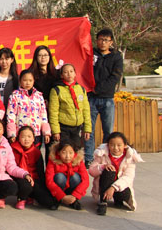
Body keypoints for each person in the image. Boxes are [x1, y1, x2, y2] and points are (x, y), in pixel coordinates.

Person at [85, 29, 124, 166]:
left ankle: (107, 156)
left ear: (111, 42)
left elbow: (115, 77)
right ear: (97, 40)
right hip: (91, 98)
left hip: (107, 98)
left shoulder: (116, 57)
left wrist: (98, 89)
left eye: (106, 40)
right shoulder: (90, 54)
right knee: (89, 129)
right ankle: (88, 158)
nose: (103, 42)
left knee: (108, 130)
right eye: (101, 39)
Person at [89, 131, 142, 215]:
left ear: (125, 145)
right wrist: (103, 167)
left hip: (119, 186)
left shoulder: (129, 158)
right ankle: (103, 202)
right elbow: (91, 170)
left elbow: (128, 177)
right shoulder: (102, 154)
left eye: (119, 145)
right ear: (108, 145)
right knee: (109, 170)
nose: (115, 148)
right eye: (112, 145)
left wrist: (113, 188)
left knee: (125, 193)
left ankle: (118, 200)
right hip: (105, 183)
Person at [10, 126, 57, 210]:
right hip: (18, 177)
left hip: (33, 178)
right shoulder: (12, 149)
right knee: (26, 185)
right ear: (18, 138)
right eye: (23, 137)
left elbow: (40, 172)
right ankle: (21, 199)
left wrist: (43, 186)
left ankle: (31, 195)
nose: (26, 139)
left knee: (49, 201)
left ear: (33, 139)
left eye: (29, 136)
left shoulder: (36, 152)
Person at [48, 64, 92, 147]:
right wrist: (55, 131)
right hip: (63, 127)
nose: (69, 74)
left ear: (75, 73)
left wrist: (87, 129)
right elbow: (53, 112)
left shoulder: (81, 89)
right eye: (65, 72)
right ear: (61, 75)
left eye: (71, 71)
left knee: (77, 149)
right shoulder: (56, 90)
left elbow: (86, 110)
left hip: (77, 127)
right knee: (64, 149)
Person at [6, 69, 51, 146]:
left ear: (33, 81)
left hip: (36, 133)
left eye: (30, 80)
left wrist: (46, 132)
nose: (28, 83)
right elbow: (11, 115)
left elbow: (43, 115)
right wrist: (12, 133)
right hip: (21, 133)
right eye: (25, 80)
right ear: (20, 81)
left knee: (35, 152)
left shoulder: (39, 96)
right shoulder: (15, 95)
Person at [45, 140, 89, 210]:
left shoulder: (78, 160)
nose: (67, 156)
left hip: (72, 191)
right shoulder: (53, 160)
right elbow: (49, 181)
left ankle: (73, 200)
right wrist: (62, 196)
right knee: (60, 177)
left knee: (75, 177)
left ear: (74, 152)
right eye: (64, 152)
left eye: (70, 153)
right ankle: (56, 199)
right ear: (59, 152)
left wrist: (75, 195)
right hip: (58, 188)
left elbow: (86, 181)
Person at [0, 47, 19, 112]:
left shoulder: (16, 78)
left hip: (11, 111)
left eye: (7, 59)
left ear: (12, 60)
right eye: (1, 59)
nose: (4, 62)